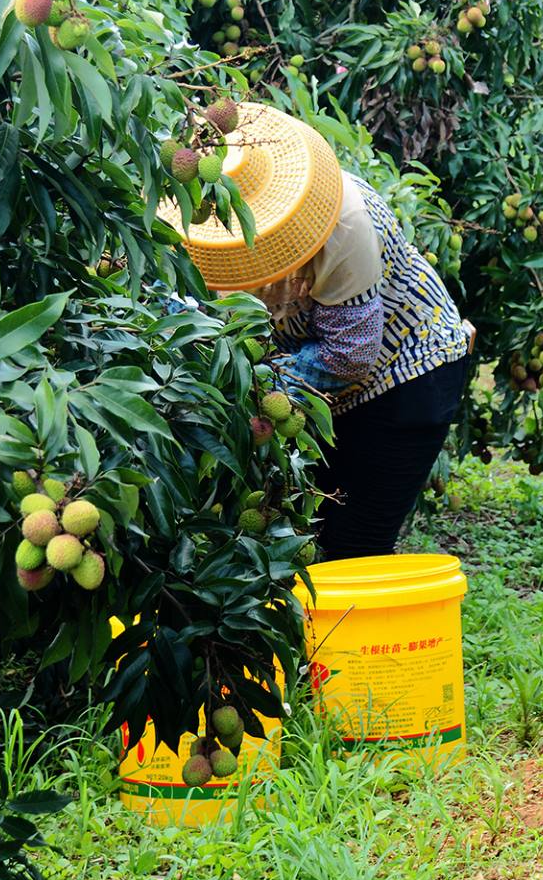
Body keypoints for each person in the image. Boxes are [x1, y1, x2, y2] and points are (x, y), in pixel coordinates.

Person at [159, 103, 471, 560]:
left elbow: (350, 355)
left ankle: (353, 629)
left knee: (351, 548)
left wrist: (244, 387)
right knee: (297, 533)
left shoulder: (342, 222)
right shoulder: (193, 214)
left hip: (404, 377)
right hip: (315, 393)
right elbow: (181, 302)